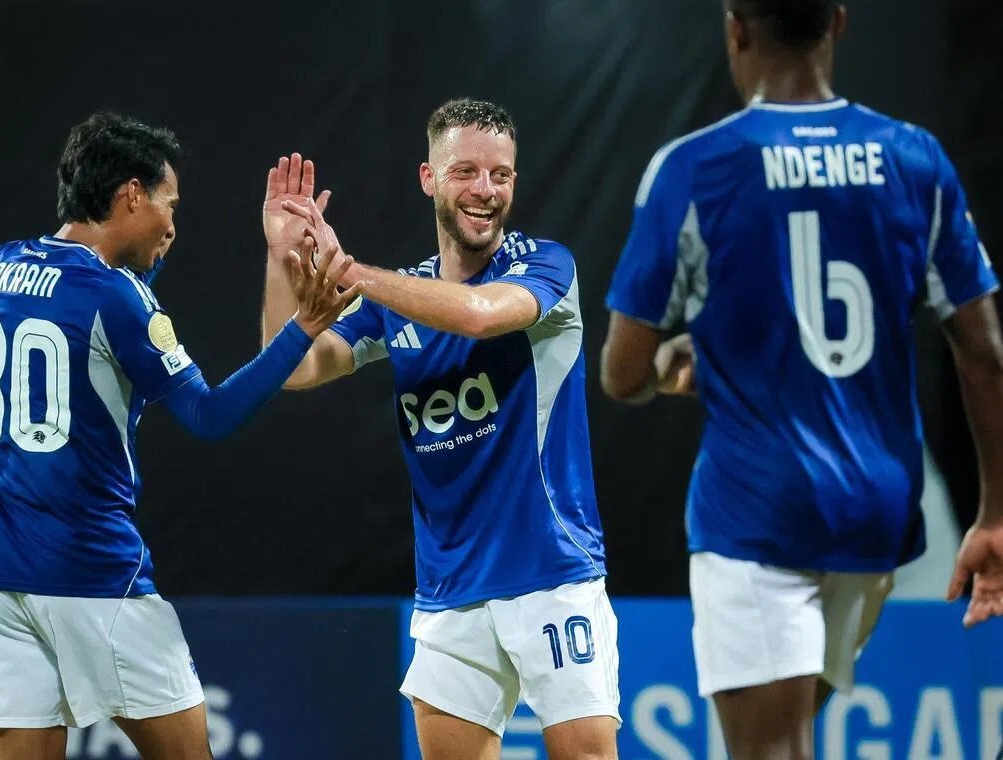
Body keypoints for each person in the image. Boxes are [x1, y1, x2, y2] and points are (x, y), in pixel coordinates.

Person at [599, 1, 1003, 759]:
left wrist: (667, 367)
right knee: (784, 737)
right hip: (877, 517)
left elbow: (621, 373)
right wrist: (997, 513)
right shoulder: (915, 159)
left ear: (736, 27)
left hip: (760, 513)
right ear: (839, 23)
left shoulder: (694, 167)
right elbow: (984, 352)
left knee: (770, 750)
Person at [0, 111, 358, 760]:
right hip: (93, 575)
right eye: (167, 204)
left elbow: (87, 322)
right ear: (129, 193)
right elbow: (209, 416)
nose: (174, 225)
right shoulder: (116, 297)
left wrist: (143, 270)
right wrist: (305, 326)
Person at [260, 99, 620, 759]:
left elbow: (481, 315)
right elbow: (299, 366)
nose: (486, 191)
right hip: (450, 591)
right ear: (429, 178)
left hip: (551, 573)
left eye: (501, 175)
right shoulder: (401, 296)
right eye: (467, 172)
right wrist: (284, 259)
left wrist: (348, 273)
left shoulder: (545, 267)